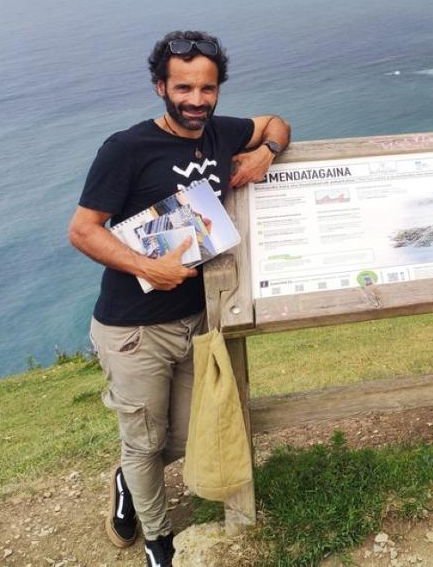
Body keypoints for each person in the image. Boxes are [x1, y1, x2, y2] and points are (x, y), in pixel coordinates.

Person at [69, 30, 291, 566]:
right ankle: (157, 541)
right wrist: (147, 266)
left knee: (186, 435)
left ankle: (129, 475)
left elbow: (275, 122)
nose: (196, 100)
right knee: (146, 442)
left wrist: (265, 151)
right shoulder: (126, 149)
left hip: (196, 319)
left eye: (207, 88)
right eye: (184, 88)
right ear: (160, 87)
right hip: (134, 328)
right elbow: (82, 230)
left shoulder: (218, 134)